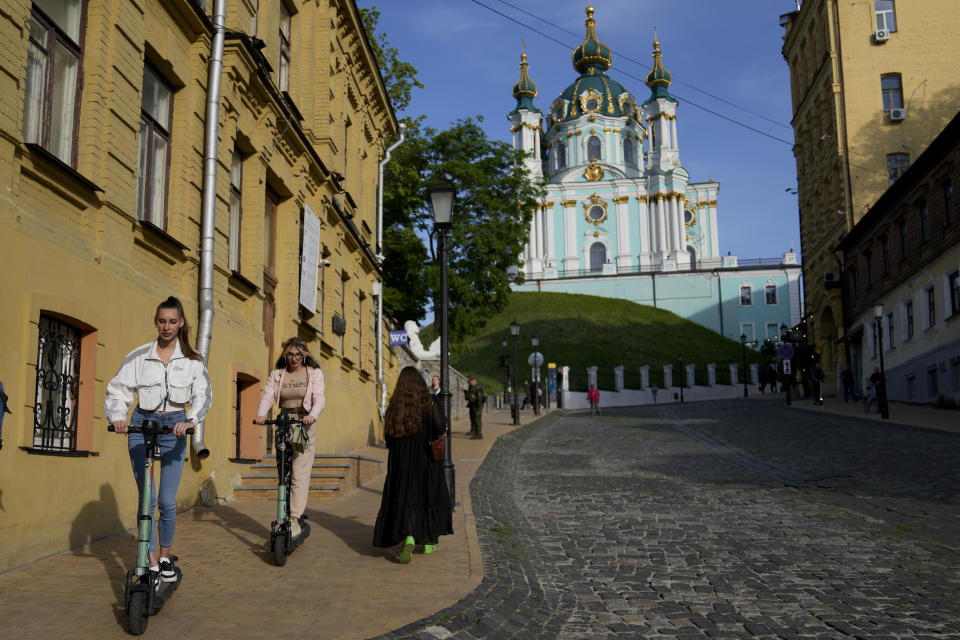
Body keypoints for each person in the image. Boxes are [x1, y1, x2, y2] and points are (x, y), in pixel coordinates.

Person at [104, 296, 211, 582]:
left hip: (174, 425)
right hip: (142, 423)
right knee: (147, 499)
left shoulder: (192, 361)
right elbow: (118, 390)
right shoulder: (139, 356)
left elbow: (203, 394)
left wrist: (190, 421)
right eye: (162, 321)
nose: (167, 326)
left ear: (181, 323)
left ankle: (164, 557)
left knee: (165, 500)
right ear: (156, 322)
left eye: (172, 321)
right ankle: (149, 558)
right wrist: (117, 417)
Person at [373, 366, 453, 563]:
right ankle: (426, 542)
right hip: (425, 461)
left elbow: (389, 439)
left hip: (401, 463)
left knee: (405, 498)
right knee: (427, 497)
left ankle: (408, 536)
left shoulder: (394, 407)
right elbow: (440, 428)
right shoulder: (429, 402)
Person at [255, 337, 325, 540]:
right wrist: (261, 414)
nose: (294, 358)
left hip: (304, 425)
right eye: (290, 354)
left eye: (298, 355)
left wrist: (313, 414)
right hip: (283, 423)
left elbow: (320, 398)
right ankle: (282, 514)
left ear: (304, 356)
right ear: (285, 355)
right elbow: (269, 395)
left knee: (299, 473)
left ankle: (294, 519)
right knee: (283, 472)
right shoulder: (277, 374)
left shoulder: (313, 374)